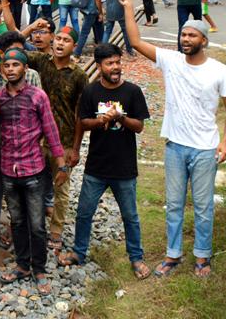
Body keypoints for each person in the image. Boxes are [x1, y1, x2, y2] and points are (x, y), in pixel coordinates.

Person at [119, 0, 226, 278]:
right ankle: (173, 255)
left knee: (203, 206)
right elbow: (134, 41)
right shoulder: (170, 61)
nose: (185, 40)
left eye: (192, 36)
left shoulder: (219, 71)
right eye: (183, 35)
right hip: (174, 147)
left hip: (205, 149)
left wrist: (224, 142)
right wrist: (130, 6)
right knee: (173, 205)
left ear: (204, 41)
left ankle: (202, 257)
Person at [57, 42, 151, 279]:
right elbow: (83, 121)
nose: (116, 67)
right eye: (110, 63)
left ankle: (136, 258)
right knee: (84, 212)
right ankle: (79, 252)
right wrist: (98, 123)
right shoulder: (91, 92)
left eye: (118, 62)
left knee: (130, 216)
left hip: (125, 167)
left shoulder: (132, 92)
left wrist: (120, 117)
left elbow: (139, 126)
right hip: (96, 166)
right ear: (99, 67)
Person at [0, 48, 67, 295]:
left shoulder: (38, 97)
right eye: (6, 66)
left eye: (15, 65)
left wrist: (61, 164)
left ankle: (39, 269)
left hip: (33, 170)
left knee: (37, 224)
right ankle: (22, 265)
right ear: (1, 70)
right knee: (17, 222)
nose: (10, 69)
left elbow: (51, 132)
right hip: (8, 170)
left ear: (25, 69)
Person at [24, 26, 88, 253]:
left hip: (64, 142)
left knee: (61, 189)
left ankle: (56, 231)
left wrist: (76, 148)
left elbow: (81, 114)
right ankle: (35, 227)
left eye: (66, 40)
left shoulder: (79, 76)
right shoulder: (41, 62)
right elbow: (11, 49)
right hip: (35, 139)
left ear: (74, 46)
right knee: (35, 186)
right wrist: (30, 28)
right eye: (58, 39)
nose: (60, 43)